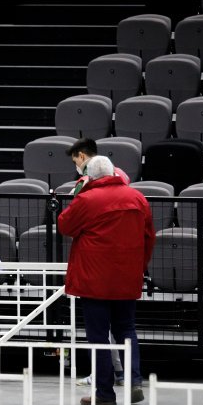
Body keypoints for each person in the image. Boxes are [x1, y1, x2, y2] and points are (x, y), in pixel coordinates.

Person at [57, 155, 156, 405]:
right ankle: (134, 380)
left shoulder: (86, 199)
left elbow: (64, 225)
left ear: (90, 176)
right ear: (114, 172)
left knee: (98, 336)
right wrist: (138, 267)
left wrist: (78, 192)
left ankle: (104, 393)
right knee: (127, 329)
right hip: (126, 277)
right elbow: (149, 237)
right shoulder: (137, 198)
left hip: (94, 279)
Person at [64, 138, 131, 386]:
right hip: (123, 257)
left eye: (75, 161)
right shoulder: (120, 174)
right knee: (119, 326)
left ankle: (105, 375)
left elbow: (72, 219)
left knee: (100, 328)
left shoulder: (87, 183)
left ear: (82, 157)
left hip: (97, 260)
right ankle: (122, 373)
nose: (76, 167)